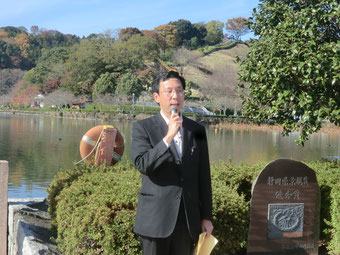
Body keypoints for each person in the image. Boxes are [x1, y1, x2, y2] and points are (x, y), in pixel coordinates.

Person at [131, 70, 213, 255]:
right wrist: (168, 137)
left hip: (187, 220)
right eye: (169, 91)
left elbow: (204, 177)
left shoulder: (197, 130)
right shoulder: (143, 128)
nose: (175, 96)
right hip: (155, 221)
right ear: (156, 97)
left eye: (179, 91)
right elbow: (143, 164)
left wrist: (206, 217)